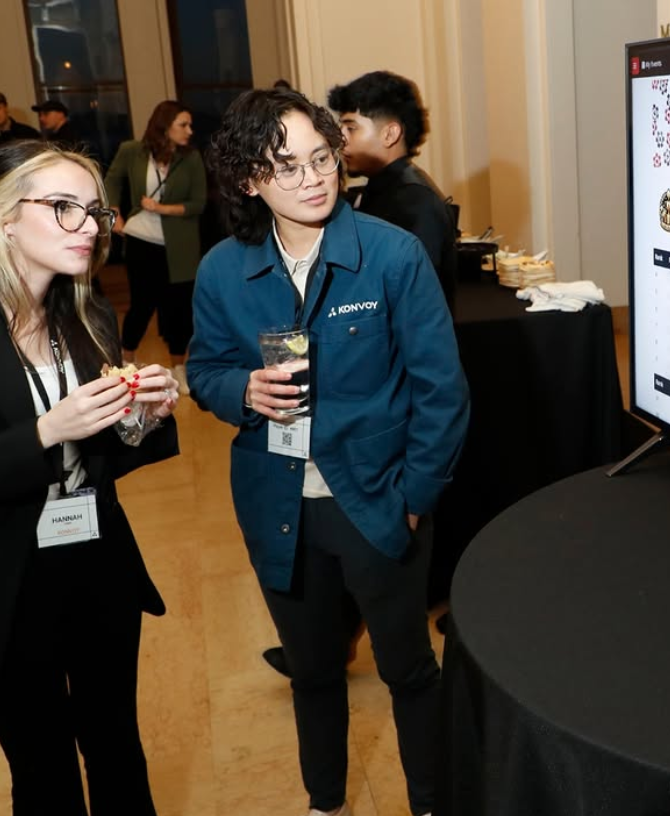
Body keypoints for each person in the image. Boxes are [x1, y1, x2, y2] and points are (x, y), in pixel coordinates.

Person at [187, 89, 468, 816]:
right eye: (288, 167)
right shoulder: (223, 270)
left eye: (323, 159)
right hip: (278, 507)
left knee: (407, 670)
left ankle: (433, 802)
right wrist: (241, 392)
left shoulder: (392, 255)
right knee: (313, 672)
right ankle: (326, 802)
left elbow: (443, 393)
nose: (314, 179)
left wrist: (413, 501)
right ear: (250, 179)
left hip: (378, 500)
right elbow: (206, 369)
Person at [0, 139, 181, 815]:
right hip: (11, 578)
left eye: (95, 212)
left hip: (96, 558)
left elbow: (104, 456)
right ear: (5, 216)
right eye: (62, 208)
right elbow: (51, 437)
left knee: (115, 742)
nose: (88, 227)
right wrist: (50, 429)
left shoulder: (86, 311)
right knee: (41, 761)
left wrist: (142, 415)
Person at [328, 71, 457, 314]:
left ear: (390, 134)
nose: (340, 139)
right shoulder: (384, 188)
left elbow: (415, 299)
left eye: (351, 128)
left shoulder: (415, 201)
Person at [105, 101, 206, 393]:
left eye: (189, 124)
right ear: (165, 125)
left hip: (180, 246)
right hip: (141, 241)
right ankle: (125, 365)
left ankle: (179, 368)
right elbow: (112, 180)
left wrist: (163, 208)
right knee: (141, 305)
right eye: (183, 125)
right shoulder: (132, 151)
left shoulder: (191, 158)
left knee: (179, 310)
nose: (190, 130)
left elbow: (197, 204)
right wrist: (115, 215)